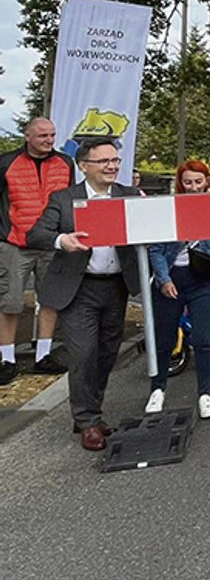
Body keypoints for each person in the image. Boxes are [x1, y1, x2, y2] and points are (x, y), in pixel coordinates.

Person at [25, 139, 141, 451]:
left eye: (115, 160)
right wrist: (63, 240)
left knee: (106, 354)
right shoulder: (64, 199)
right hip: (78, 289)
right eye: (104, 161)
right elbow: (35, 234)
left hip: (117, 287)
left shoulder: (130, 195)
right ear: (83, 165)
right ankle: (88, 420)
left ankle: (89, 412)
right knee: (84, 354)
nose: (112, 166)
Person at [145, 160, 210, 419]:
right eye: (188, 182)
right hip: (172, 278)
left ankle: (205, 394)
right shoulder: (167, 210)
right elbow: (157, 249)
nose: (193, 187)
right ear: (180, 183)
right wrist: (163, 279)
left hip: (202, 280)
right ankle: (158, 389)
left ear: (206, 181)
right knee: (165, 338)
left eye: (198, 182)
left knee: (204, 340)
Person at [0, 117, 74, 383]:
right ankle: (6, 359)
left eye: (52, 135)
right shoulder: (7, 162)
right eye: (42, 135)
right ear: (28, 136)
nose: (49, 140)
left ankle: (43, 355)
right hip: (14, 243)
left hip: (52, 243)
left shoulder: (65, 163)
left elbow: (70, 200)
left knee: (51, 300)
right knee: (10, 302)